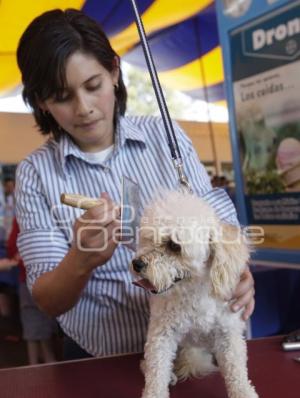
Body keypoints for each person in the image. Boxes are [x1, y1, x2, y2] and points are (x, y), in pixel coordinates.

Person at [15, 9, 255, 359]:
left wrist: (238, 272)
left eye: (93, 85)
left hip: (193, 349)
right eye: (62, 97)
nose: (84, 108)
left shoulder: (166, 136)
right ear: (42, 102)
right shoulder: (36, 174)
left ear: (114, 71)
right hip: (99, 361)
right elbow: (48, 301)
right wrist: (80, 261)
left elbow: (219, 229)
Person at [7, 217, 58, 364]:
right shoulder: (53, 216)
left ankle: (35, 362)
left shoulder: (20, 217)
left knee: (31, 318)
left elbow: (12, 245)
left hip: (27, 276)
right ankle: (48, 359)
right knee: (45, 319)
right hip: (52, 277)